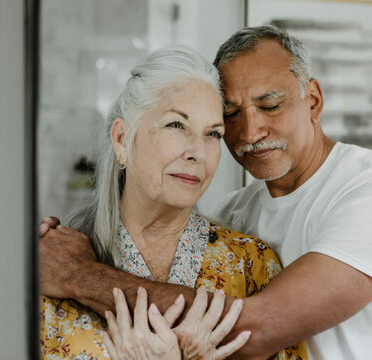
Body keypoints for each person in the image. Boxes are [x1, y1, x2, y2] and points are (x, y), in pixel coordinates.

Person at [40, 26, 372, 360]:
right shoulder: (235, 216)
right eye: (229, 117)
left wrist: (78, 275)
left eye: (270, 105)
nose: (248, 132)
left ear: (312, 100)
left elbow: (255, 328)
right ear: (122, 140)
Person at [38, 46, 307, 359]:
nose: (198, 151)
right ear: (122, 139)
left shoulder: (252, 267)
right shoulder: (49, 264)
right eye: (176, 125)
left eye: (213, 134)